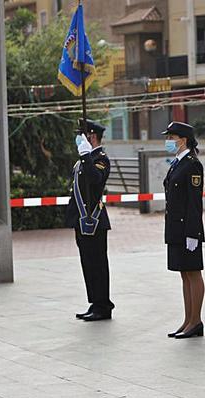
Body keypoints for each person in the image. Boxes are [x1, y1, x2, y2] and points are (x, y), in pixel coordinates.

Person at [66, 119, 115, 321]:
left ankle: (103, 305)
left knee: (98, 263)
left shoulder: (100, 158)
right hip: (82, 220)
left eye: (83, 135)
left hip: (93, 219)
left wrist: (86, 155)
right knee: (88, 263)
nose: (79, 139)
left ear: (92, 137)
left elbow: (95, 179)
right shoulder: (85, 158)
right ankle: (94, 302)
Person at [162, 121, 205, 339]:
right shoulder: (177, 164)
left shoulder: (192, 165)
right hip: (175, 228)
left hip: (187, 229)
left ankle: (196, 321)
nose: (168, 141)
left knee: (193, 273)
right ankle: (188, 320)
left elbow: (194, 202)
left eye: (172, 137)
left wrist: (193, 232)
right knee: (184, 274)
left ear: (183, 140)